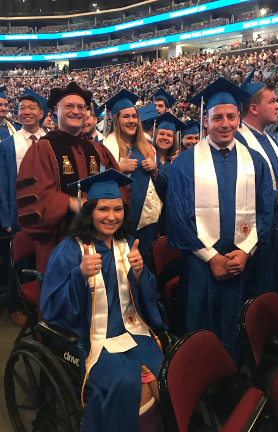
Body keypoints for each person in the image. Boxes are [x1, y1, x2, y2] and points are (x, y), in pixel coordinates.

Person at [40, 169, 166, 432]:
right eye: (103, 209)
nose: (111, 217)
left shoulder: (127, 243)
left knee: (161, 374)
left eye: (118, 209)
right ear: (89, 212)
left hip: (131, 333)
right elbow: (51, 307)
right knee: (132, 384)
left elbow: (146, 296)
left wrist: (141, 273)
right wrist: (79, 275)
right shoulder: (70, 251)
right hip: (91, 339)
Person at [167, 78, 274, 365]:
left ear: (239, 118)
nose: (224, 124)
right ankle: (196, 381)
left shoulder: (255, 161)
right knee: (197, 321)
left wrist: (246, 251)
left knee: (233, 320)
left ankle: (229, 374)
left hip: (240, 261)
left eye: (230, 117)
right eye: (217, 118)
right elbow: (177, 217)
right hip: (200, 264)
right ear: (205, 120)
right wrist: (211, 258)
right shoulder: (186, 163)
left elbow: (265, 211)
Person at [16, 82, 126, 277]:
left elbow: (120, 189)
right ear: (55, 111)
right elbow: (33, 199)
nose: (76, 111)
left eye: (81, 107)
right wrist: (70, 202)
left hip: (100, 241)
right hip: (58, 243)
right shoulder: (41, 150)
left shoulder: (98, 150)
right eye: (69, 106)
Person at [235, 70, 278, 297]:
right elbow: (237, 191)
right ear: (254, 108)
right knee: (261, 287)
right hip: (257, 229)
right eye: (273, 101)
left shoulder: (267, 137)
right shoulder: (238, 141)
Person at [101, 89, 163, 265]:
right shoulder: (106, 147)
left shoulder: (147, 147)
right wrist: (119, 168)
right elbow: (98, 182)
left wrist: (156, 171)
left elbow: (160, 184)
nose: (131, 121)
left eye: (134, 116)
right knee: (124, 265)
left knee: (148, 264)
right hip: (122, 218)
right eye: (125, 117)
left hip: (148, 218)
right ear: (116, 120)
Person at [0, 88, 49, 235]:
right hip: (19, 214)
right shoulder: (7, 145)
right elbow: (3, 184)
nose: (26, 112)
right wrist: (7, 219)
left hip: (49, 210)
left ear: (41, 114)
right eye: (22, 108)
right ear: (18, 114)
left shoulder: (53, 141)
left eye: (31, 108)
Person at [154, 112, 185, 237]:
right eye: (161, 134)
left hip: (168, 214)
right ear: (155, 135)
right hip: (148, 214)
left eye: (169, 135)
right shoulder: (147, 156)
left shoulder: (178, 160)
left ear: (174, 139)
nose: (165, 138)